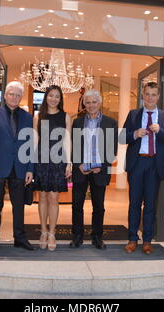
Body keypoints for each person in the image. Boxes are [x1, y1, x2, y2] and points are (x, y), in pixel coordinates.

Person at [121, 82, 164, 254]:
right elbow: (121, 138)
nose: (150, 98)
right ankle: (132, 239)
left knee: (150, 205)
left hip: (155, 165)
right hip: (137, 164)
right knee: (134, 204)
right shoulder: (133, 115)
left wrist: (161, 131)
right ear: (143, 95)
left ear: (158, 97)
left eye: (153, 94)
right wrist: (134, 134)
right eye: (147, 94)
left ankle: (147, 240)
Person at [0, 81, 35, 254]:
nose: (14, 97)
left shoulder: (27, 117)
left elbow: (29, 145)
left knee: (18, 206)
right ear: (5, 95)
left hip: (19, 167)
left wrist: (29, 169)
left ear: (21, 97)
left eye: (18, 95)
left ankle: (19, 238)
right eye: (11, 94)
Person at [70, 90, 118, 249]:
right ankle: (77, 236)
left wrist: (102, 166)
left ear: (100, 103)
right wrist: (78, 164)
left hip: (100, 170)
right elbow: (74, 145)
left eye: (94, 102)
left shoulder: (110, 122)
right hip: (81, 169)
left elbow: (112, 150)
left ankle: (97, 236)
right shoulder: (77, 122)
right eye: (88, 102)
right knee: (77, 205)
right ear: (84, 104)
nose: (91, 105)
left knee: (99, 206)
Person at [33, 85, 72, 251]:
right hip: (41, 160)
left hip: (58, 161)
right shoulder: (38, 117)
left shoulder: (66, 117)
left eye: (57, 96)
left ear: (60, 99)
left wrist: (69, 162)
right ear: (46, 97)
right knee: (42, 197)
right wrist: (32, 162)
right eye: (51, 96)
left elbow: (67, 140)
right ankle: (43, 231)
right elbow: (35, 140)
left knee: (53, 198)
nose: (54, 99)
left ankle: (52, 233)